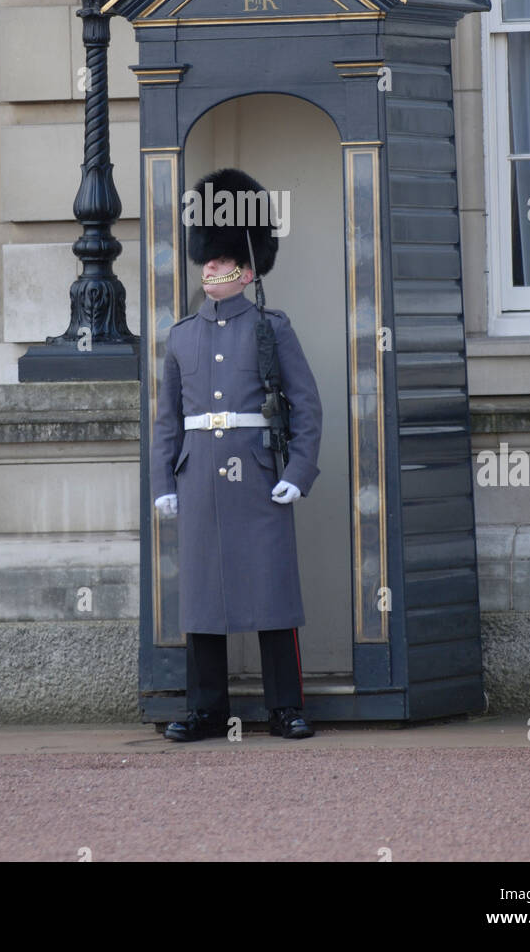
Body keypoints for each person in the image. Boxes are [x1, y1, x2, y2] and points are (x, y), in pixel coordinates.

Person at [152, 167, 322, 741]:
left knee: (272, 594)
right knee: (202, 599)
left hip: (257, 473)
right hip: (199, 475)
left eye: (221, 261)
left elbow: (306, 406)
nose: (209, 268)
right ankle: (205, 708)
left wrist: (298, 473)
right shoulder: (180, 336)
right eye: (207, 259)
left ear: (245, 271)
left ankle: (285, 707)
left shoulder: (272, 328)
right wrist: (163, 483)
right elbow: (167, 421)